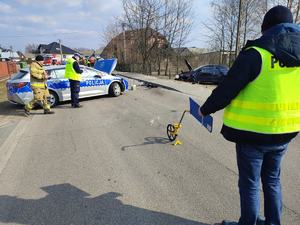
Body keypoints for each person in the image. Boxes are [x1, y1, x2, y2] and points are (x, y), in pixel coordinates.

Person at [198, 6, 300, 225]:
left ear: (267, 28)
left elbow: (228, 88)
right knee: (272, 180)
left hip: (253, 136)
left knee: (250, 183)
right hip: (285, 132)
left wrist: (205, 108)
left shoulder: (257, 53)